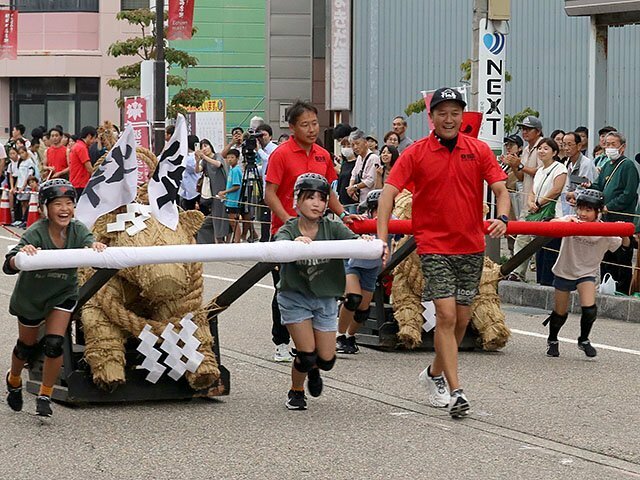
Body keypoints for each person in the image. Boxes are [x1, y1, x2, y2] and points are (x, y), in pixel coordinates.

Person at [377, 87, 509, 418]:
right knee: (447, 317)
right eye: (442, 113)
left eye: (454, 113)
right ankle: (457, 392)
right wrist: (380, 239)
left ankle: (434, 373)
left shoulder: (477, 149)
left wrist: (503, 218)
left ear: (461, 116)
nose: (449, 119)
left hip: (471, 248)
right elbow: (387, 195)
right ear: (431, 117)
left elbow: (500, 189)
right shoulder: (416, 152)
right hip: (434, 246)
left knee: (462, 321)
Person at [3, 179, 106, 417]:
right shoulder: (36, 232)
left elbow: (90, 244)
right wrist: (22, 254)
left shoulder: (78, 230)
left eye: (69, 203)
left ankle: (45, 394)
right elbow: (10, 261)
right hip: (32, 297)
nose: (64, 209)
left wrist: (96, 247)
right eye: (57, 203)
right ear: (45, 208)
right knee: (26, 347)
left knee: (54, 344)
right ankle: (14, 378)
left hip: (62, 292)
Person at [265, 100, 354, 363]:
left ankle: (313, 345)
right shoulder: (281, 154)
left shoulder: (322, 154)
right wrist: (289, 222)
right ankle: (281, 340)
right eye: (305, 124)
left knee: (316, 284)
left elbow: (330, 194)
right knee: (285, 287)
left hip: (318, 231)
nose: (312, 129)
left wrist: (345, 216)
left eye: (314, 123)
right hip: (286, 231)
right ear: (292, 127)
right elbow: (270, 194)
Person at [274, 173, 360, 410]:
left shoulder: (332, 227)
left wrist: (370, 244)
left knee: (326, 359)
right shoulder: (289, 229)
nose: (316, 203)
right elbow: (279, 243)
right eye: (309, 197)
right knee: (307, 354)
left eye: (321, 199)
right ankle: (296, 390)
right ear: (297, 201)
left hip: (325, 297)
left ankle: (315, 371)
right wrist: (293, 245)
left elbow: (354, 242)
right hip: (295, 296)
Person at [544, 189, 627, 358]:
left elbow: (623, 246)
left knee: (589, 310)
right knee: (560, 312)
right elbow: (550, 224)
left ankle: (583, 339)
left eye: (588, 210)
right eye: (580, 208)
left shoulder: (605, 231)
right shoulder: (570, 220)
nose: (582, 213)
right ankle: (552, 339)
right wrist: (566, 224)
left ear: (598, 212)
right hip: (565, 270)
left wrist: (624, 229)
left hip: (587, 273)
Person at [580, 132, 639, 294]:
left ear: (622, 147)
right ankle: (607, 284)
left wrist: (610, 206)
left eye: (613, 144)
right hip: (605, 218)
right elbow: (599, 186)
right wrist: (589, 187)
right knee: (605, 254)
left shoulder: (628, 166)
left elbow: (629, 194)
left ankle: (621, 288)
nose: (609, 148)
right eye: (607, 144)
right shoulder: (607, 164)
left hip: (620, 218)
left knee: (621, 255)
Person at [336, 189, 383, 354]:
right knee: (353, 299)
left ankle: (350, 336)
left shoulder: (393, 221)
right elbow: (346, 229)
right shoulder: (363, 220)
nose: (380, 212)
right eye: (376, 208)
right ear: (370, 210)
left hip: (371, 267)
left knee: (363, 310)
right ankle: (339, 336)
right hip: (353, 263)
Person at [524, 138, 567, 286]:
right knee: (539, 252)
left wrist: (538, 203)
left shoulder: (559, 168)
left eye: (546, 148)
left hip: (554, 216)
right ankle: (540, 282)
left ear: (554, 152)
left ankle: (549, 284)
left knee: (551, 252)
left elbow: (556, 190)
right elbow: (532, 190)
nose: (542, 151)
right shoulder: (540, 171)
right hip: (539, 215)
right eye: (540, 148)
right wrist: (531, 202)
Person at [505, 115, 544, 281]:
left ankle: (517, 271)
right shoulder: (527, 149)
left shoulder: (543, 146)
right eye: (523, 129)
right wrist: (514, 165)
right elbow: (521, 177)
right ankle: (517, 272)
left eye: (528, 129)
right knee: (523, 237)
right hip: (527, 199)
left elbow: (541, 171)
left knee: (527, 238)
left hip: (540, 200)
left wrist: (519, 164)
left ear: (538, 131)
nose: (524, 132)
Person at [195, 139, 228, 244]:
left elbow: (218, 164)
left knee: (224, 215)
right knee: (216, 215)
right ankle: (218, 238)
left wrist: (204, 157)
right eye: (202, 147)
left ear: (210, 146)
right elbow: (197, 170)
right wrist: (197, 160)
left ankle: (225, 237)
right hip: (213, 193)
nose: (204, 149)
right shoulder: (204, 161)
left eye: (206, 146)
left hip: (223, 191)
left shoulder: (217, 156)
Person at [557, 132, 597, 216]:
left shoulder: (586, 163)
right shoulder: (570, 164)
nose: (566, 148)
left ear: (579, 146)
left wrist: (572, 194)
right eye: (564, 145)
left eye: (569, 145)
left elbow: (586, 188)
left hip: (587, 208)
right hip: (574, 206)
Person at [499, 134, 523, 255]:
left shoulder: (521, 162)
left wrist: (515, 165)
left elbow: (519, 178)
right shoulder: (505, 163)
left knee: (518, 234)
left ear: (519, 148)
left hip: (518, 201)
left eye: (511, 145)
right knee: (510, 234)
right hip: (507, 203)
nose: (508, 147)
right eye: (507, 145)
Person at [257, 123, 278, 242]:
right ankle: (264, 238)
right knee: (264, 215)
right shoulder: (263, 150)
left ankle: (271, 238)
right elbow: (264, 168)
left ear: (270, 136)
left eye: (263, 135)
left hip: (273, 189)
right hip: (265, 186)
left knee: (271, 215)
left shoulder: (274, 148)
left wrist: (258, 150)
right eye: (259, 135)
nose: (261, 138)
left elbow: (270, 160)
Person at [347, 129, 379, 204]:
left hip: (372, 199)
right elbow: (354, 174)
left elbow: (370, 181)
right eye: (352, 145)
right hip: (361, 199)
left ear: (365, 143)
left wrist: (354, 187)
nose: (355, 147)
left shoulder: (373, 158)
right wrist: (350, 187)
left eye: (357, 143)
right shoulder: (359, 158)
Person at [218, 149, 242, 243]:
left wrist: (225, 192)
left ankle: (237, 241)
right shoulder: (232, 169)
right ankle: (236, 240)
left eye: (232, 157)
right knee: (232, 222)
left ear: (237, 158)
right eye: (228, 158)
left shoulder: (236, 170)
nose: (230, 160)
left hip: (233, 200)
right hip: (230, 199)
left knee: (234, 222)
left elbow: (237, 186)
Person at [68, 126, 97, 198]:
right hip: (80, 183)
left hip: (76, 182)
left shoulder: (77, 146)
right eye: (94, 138)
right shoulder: (81, 148)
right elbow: (89, 168)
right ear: (89, 136)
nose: (94, 141)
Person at [178, 135, 201, 211]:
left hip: (195, 189)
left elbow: (191, 168)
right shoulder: (187, 156)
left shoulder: (191, 157)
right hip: (188, 190)